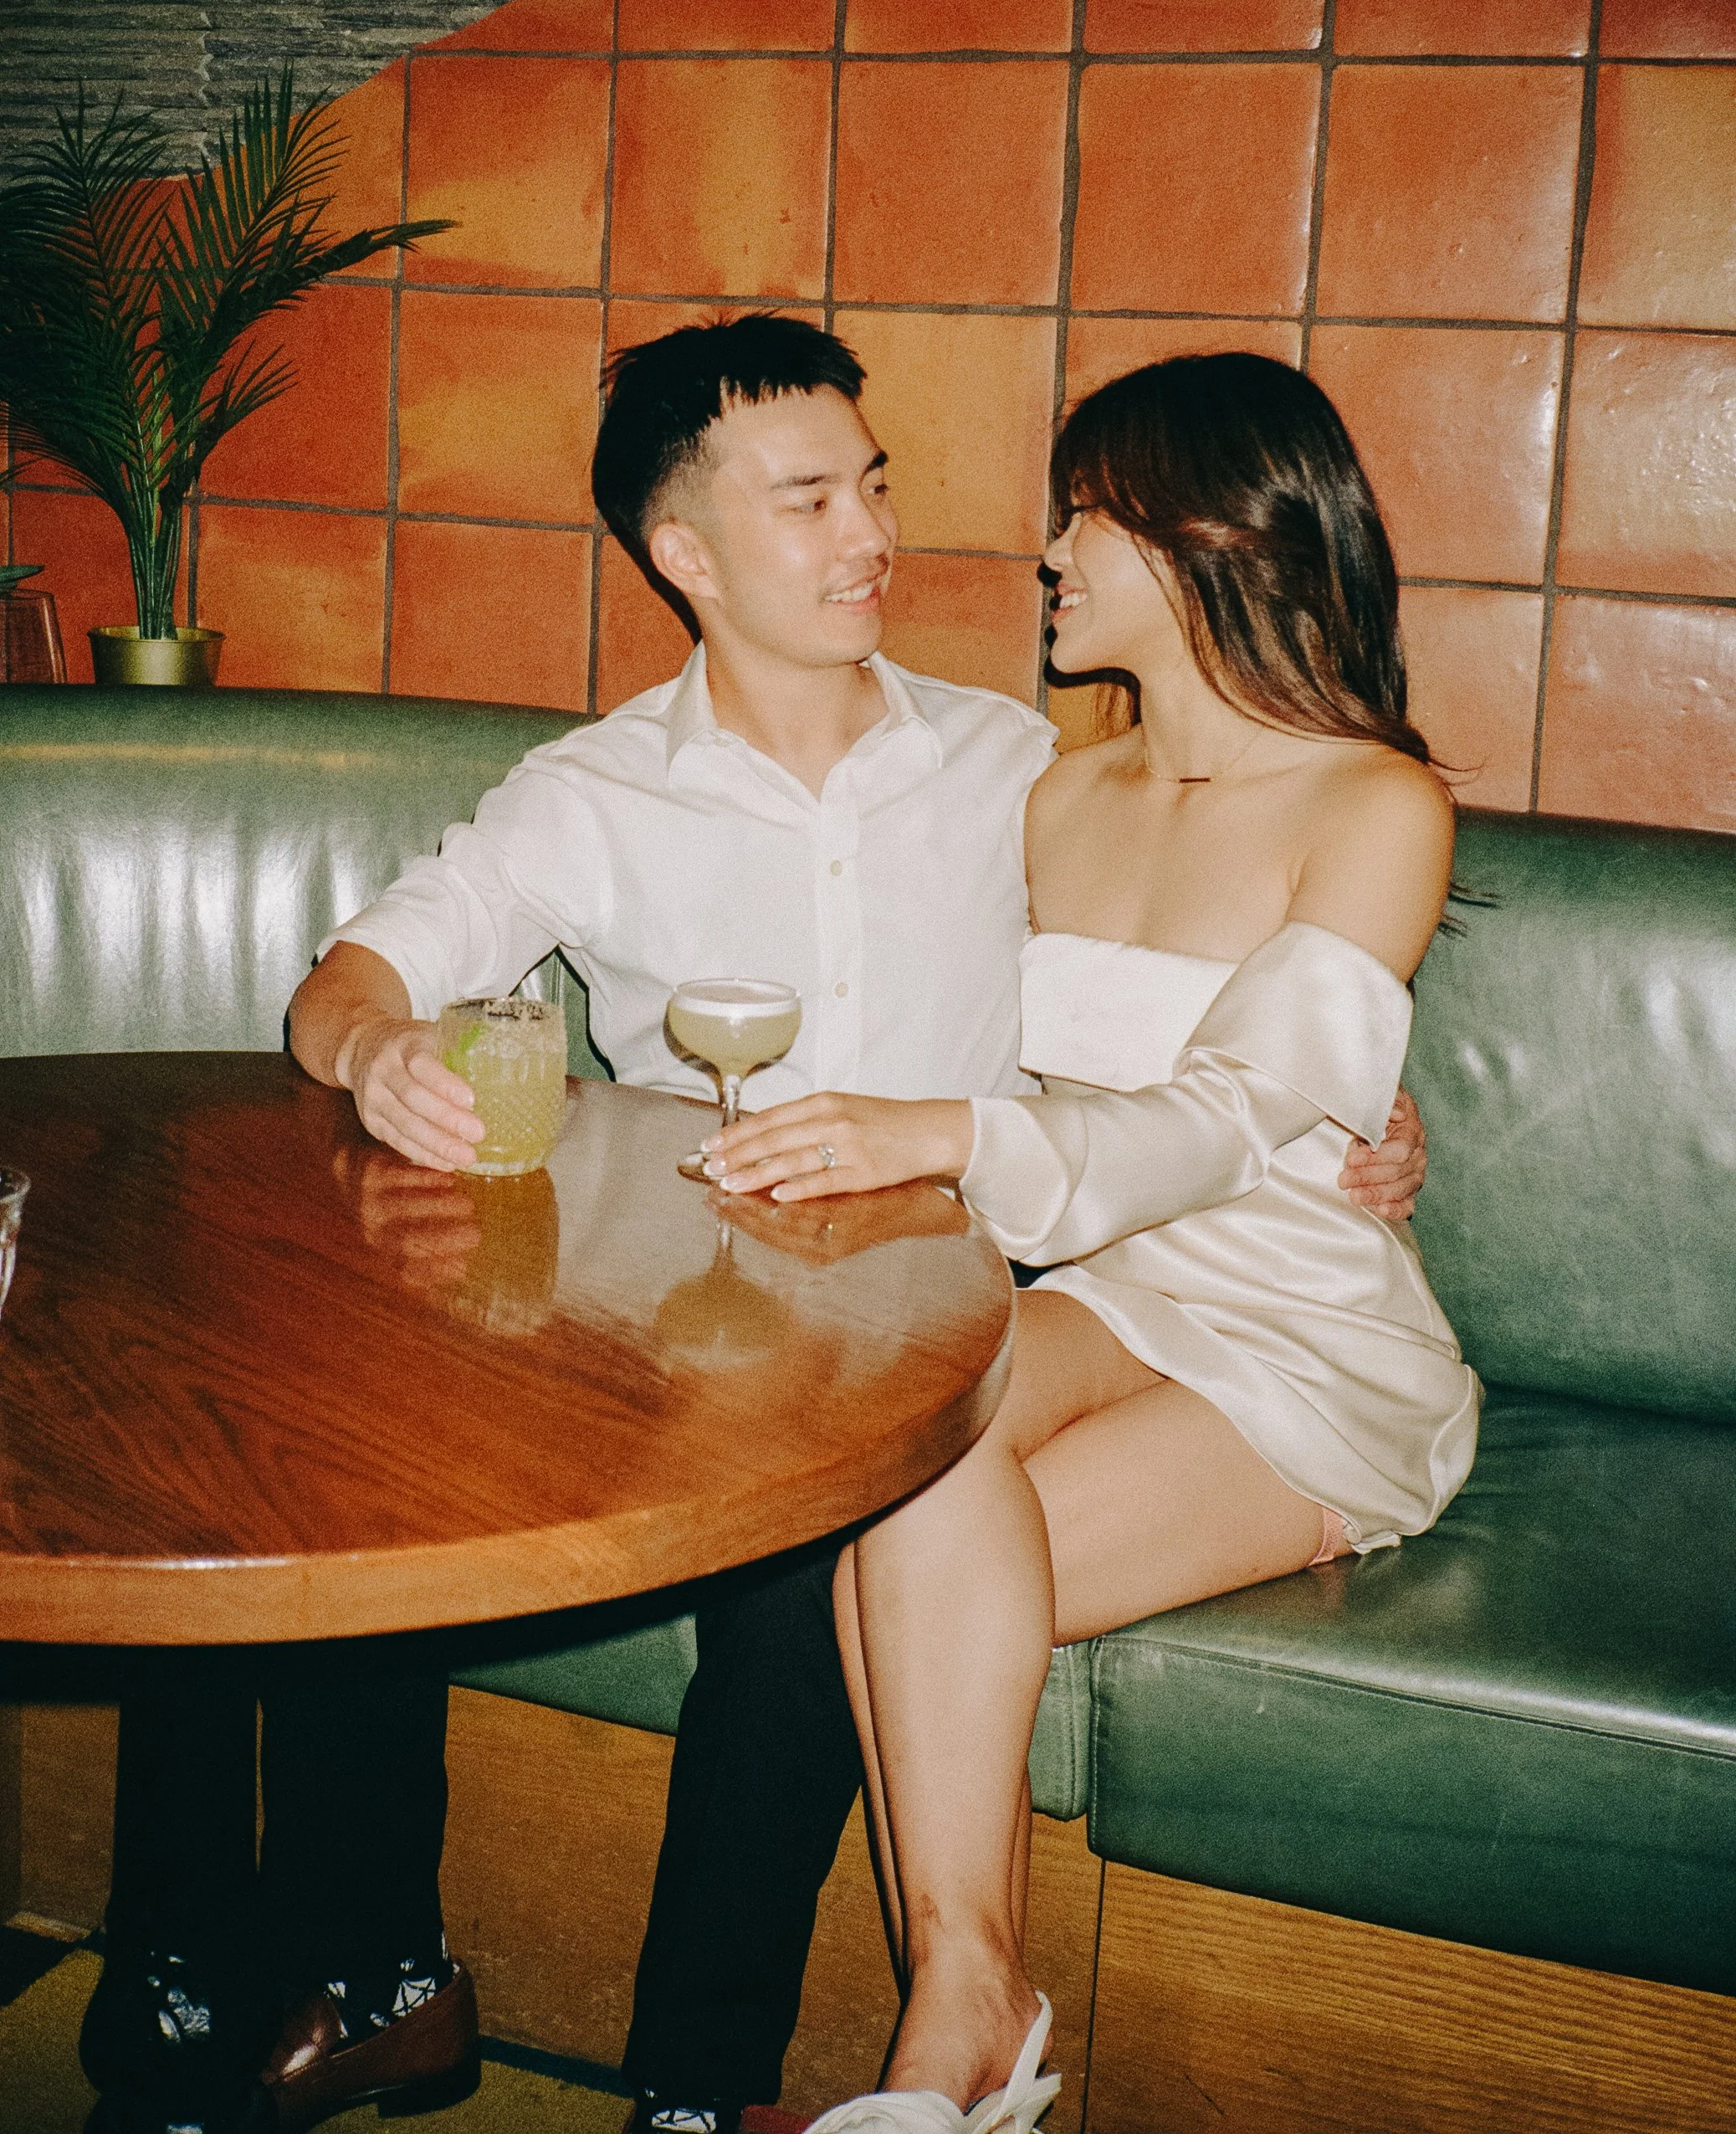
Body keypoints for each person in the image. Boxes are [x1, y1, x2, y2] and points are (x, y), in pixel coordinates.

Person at [92, 318, 1426, 2134]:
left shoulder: (1010, 765)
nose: (873, 529)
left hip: (956, 1308)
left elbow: (1231, 1001)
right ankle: (304, 1967)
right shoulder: (594, 793)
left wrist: (1360, 1113)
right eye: (808, 497)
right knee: (315, 1443)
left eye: (870, 482)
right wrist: (380, 1043)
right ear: (685, 553)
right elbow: (350, 980)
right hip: (657, 1321)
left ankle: (693, 2095)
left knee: (835, 1548)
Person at [707, 353, 1483, 2134]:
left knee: (903, 1561)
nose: (1045, 550)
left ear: (1206, 533)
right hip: (1110, 1291)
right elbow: (963, 1037)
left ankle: (954, 2034)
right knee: (893, 1463)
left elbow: (1228, 1113)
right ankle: (970, 2008)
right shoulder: (1058, 794)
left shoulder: (1373, 802)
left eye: (1085, 513)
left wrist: (959, 1136)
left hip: (1301, 1332)